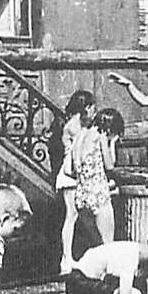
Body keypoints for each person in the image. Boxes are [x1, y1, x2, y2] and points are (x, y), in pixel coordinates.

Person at [55, 89, 96, 274]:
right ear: (86, 107)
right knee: (71, 215)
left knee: (77, 215)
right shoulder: (74, 126)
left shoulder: (78, 124)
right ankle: (66, 259)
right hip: (70, 175)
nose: (94, 112)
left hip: (76, 173)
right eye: (93, 108)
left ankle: (71, 257)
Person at [71, 107, 120, 246]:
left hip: (81, 195)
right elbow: (110, 165)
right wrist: (112, 144)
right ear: (109, 129)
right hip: (98, 194)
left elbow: (70, 170)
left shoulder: (80, 136)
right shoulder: (101, 136)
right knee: (107, 244)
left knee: (95, 244)